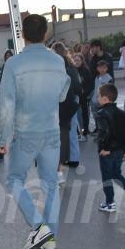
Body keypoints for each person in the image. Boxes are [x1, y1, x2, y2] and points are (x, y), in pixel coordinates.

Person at [0, 14, 69, 249]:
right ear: (45, 33)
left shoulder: (14, 64)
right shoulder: (58, 61)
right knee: (51, 184)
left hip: (25, 132)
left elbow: (6, 105)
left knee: (14, 179)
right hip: (51, 130)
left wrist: (1, 139)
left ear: (23, 34)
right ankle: (50, 238)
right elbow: (62, 94)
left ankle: (38, 225)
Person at [95, 83, 125, 214]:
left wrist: (105, 148)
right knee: (116, 174)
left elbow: (105, 133)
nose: (97, 98)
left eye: (99, 96)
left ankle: (110, 203)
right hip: (120, 151)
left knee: (107, 177)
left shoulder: (102, 114)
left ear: (105, 99)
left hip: (108, 152)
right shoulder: (121, 113)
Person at [53, 42, 81, 176]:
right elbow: (77, 86)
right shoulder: (71, 67)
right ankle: (74, 158)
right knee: (72, 130)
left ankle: (63, 160)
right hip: (72, 101)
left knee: (61, 132)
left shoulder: (54, 68)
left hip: (60, 103)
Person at [73, 52, 94, 139]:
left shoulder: (86, 70)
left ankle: (85, 130)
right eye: (75, 60)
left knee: (85, 113)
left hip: (84, 96)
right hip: (75, 96)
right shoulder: (72, 71)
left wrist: (85, 92)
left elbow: (91, 84)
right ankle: (77, 132)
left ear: (82, 61)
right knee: (75, 114)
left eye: (78, 60)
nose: (76, 62)